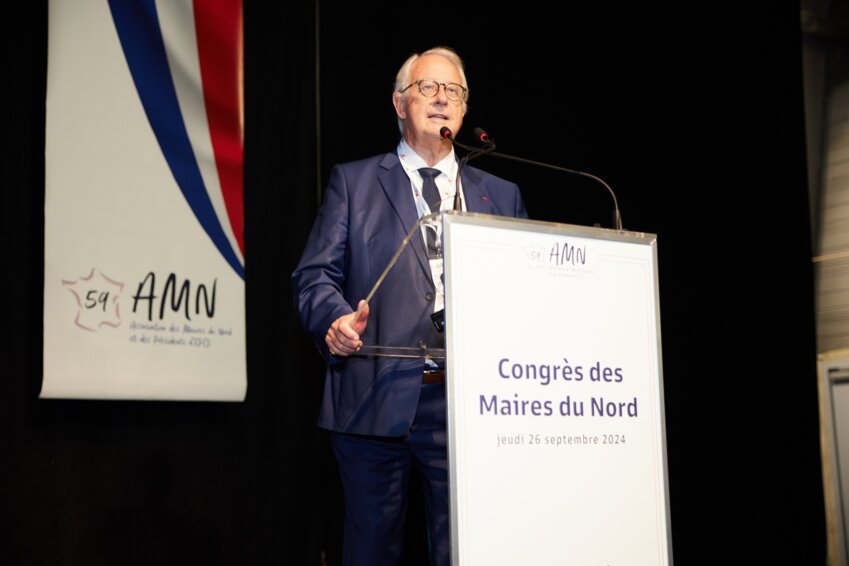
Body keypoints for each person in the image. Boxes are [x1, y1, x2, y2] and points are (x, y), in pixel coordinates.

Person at [292, 46, 527, 566]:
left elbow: (523, 293)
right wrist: (333, 320)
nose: (443, 99)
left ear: (465, 111)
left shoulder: (500, 194)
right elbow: (314, 276)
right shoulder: (354, 183)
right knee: (372, 552)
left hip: (472, 408)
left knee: (467, 552)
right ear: (400, 104)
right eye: (428, 88)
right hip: (374, 397)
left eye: (455, 92)